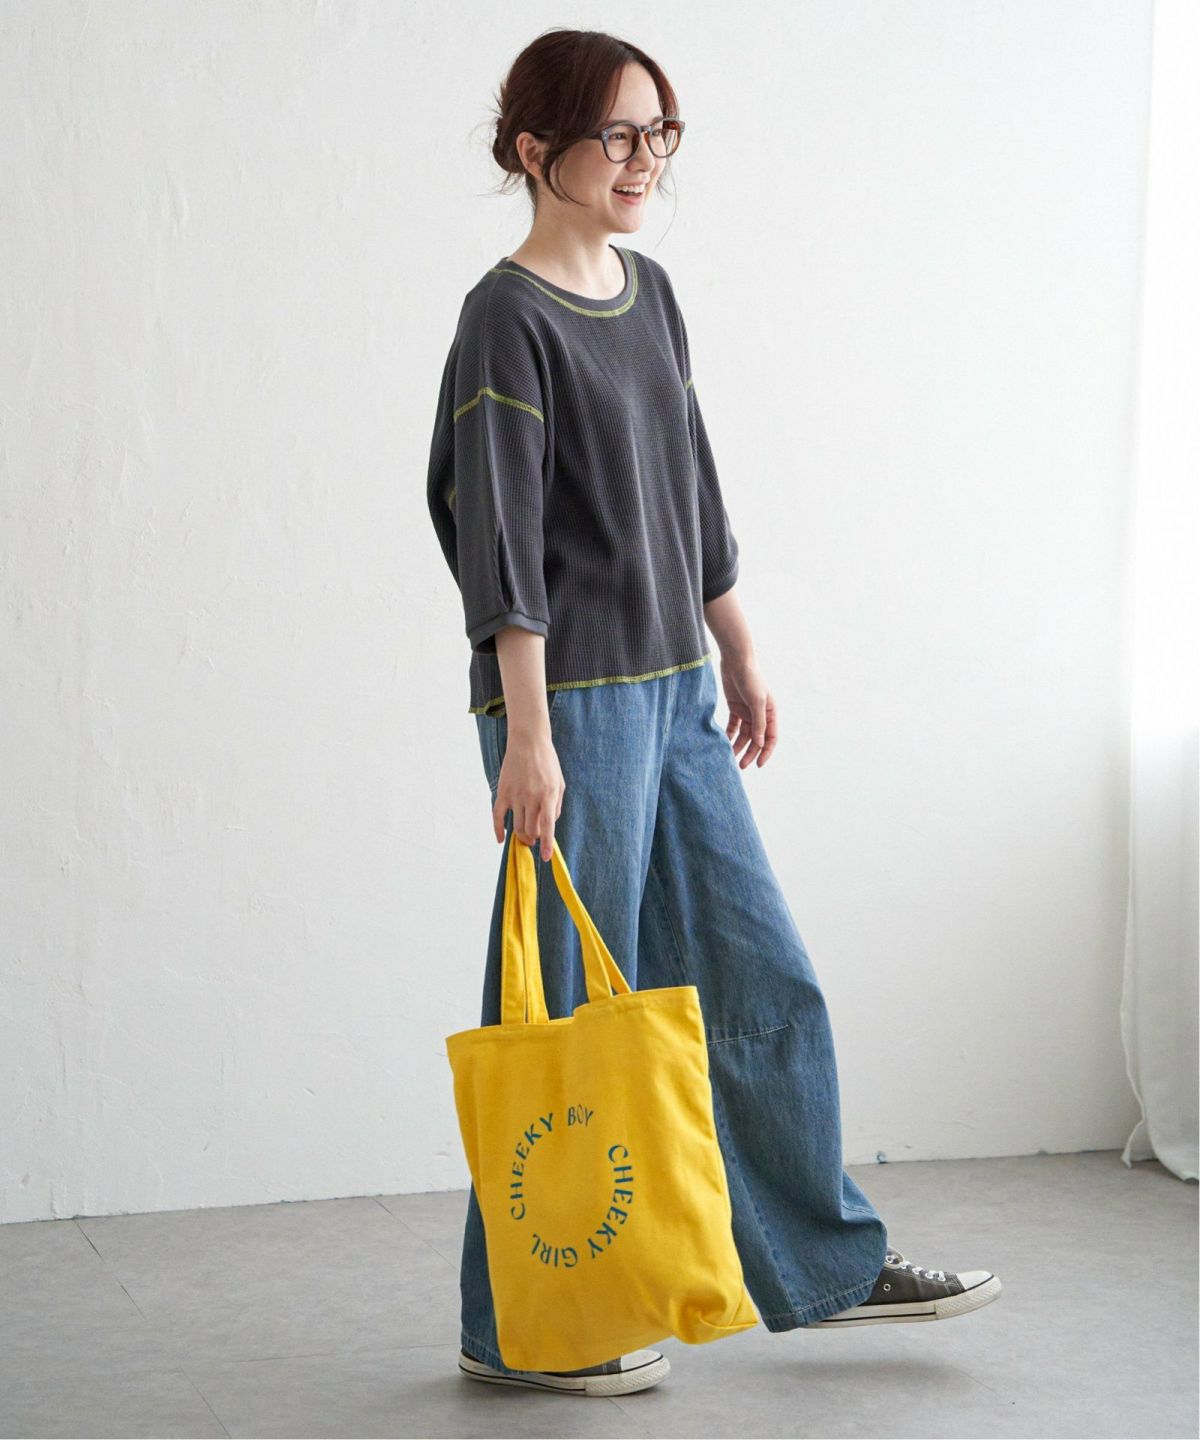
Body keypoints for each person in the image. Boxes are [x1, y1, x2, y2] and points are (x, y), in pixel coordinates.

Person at [426, 27, 1001, 1399]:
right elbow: (500, 542)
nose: (644, 162)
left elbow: (691, 481)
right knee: (566, 1015)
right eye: (617, 136)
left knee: (756, 977)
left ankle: (823, 1263)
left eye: (658, 134)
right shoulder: (505, 319)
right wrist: (527, 735)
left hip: (676, 687)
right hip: (570, 702)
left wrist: (736, 646)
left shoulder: (653, 294)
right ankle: (518, 1326)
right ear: (535, 152)